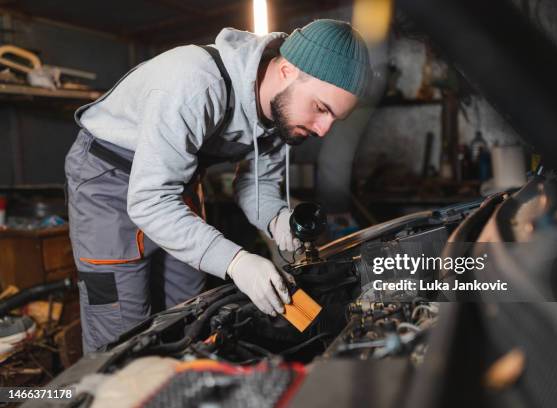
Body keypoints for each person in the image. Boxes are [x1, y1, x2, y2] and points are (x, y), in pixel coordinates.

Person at [64, 19, 372, 353]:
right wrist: (236, 261)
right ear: (287, 70)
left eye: (333, 119)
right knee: (121, 331)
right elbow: (150, 200)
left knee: (189, 312)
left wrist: (276, 219)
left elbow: (256, 187)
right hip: (106, 183)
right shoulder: (195, 83)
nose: (323, 129)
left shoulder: (283, 116)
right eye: (321, 109)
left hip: (177, 185)